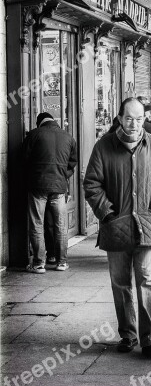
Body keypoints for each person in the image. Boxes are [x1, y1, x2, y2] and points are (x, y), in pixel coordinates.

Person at [83, 98, 151, 358]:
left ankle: (150, 339)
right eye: (129, 118)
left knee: (148, 281)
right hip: (116, 227)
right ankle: (128, 334)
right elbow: (91, 183)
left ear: (144, 119)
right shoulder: (104, 146)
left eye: (139, 119)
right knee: (121, 283)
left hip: (148, 225)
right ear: (119, 118)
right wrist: (107, 212)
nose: (134, 124)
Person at [23, 112, 77, 273]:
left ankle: (39, 263)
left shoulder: (33, 135)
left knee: (36, 224)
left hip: (37, 186)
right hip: (59, 188)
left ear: (39, 122)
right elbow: (72, 163)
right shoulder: (68, 137)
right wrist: (61, 175)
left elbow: (24, 160)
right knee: (61, 225)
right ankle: (62, 262)